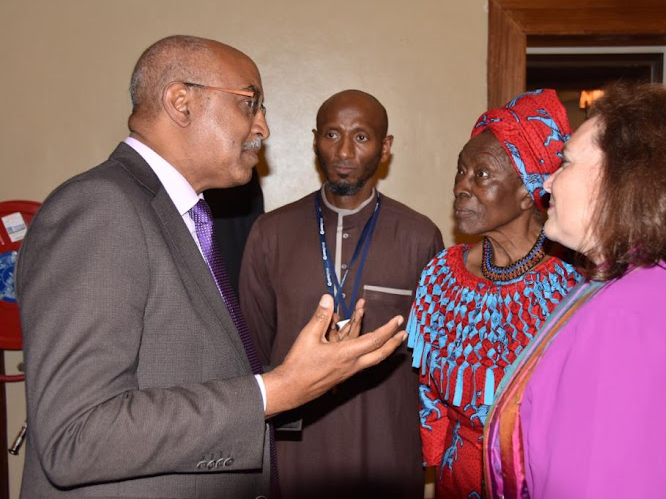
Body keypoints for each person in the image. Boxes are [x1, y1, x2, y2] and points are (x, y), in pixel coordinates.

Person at [17, 35, 408, 499]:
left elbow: (189, 371)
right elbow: (77, 436)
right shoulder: (100, 209)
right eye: (249, 103)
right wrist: (273, 391)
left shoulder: (184, 218)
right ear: (181, 102)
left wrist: (310, 376)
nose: (263, 125)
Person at [483, 83, 666, 498]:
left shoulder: (632, 314)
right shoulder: (662, 286)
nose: (548, 183)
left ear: (623, 179)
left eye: (566, 163)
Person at [239, 89, 444, 498]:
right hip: (295, 453)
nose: (345, 151)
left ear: (385, 148)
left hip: (387, 451)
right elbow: (251, 348)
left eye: (362, 137)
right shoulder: (270, 233)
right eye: (332, 135)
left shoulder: (420, 236)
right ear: (315, 140)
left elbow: (433, 361)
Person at [406, 89, 582, 498]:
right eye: (460, 171)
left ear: (528, 192)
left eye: (481, 174)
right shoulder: (440, 275)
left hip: (545, 479)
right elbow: (430, 393)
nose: (461, 187)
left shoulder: (576, 284)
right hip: (460, 474)